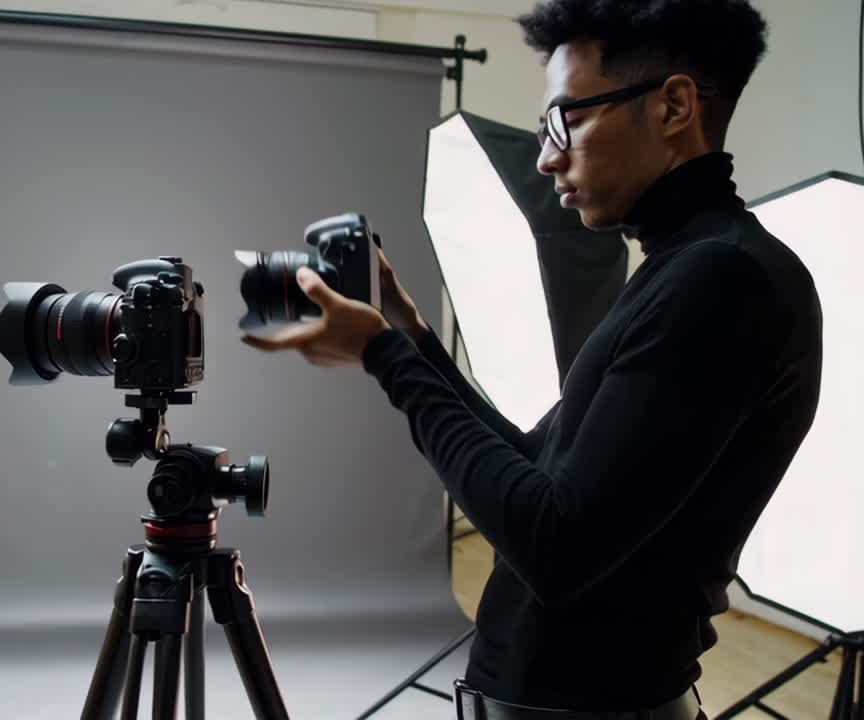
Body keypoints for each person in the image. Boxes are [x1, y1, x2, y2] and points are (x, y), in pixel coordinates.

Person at [241, 1, 823, 717]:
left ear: (674, 106)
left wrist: (384, 356)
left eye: (567, 119)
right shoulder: (689, 269)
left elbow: (553, 545)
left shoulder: (722, 281)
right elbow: (535, 472)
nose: (547, 155)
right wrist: (410, 332)